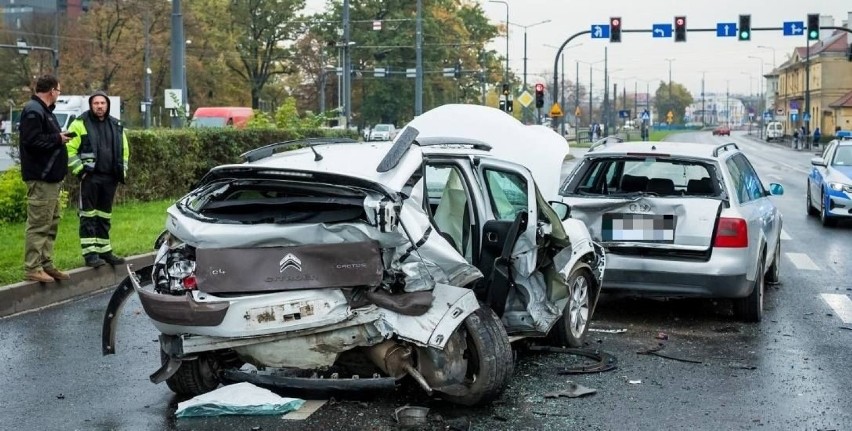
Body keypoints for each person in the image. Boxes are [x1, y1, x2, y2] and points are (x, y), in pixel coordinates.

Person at [19, 74, 73, 283]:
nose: (59, 94)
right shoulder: (34, 111)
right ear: (52, 91)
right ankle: (32, 267)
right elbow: (31, 141)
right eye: (59, 91)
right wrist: (57, 138)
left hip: (50, 178)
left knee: (51, 223)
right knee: (39, 224)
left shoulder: (43, 111)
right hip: (41, 178)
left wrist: (58, 139)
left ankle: (46, 264)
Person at [66, 91, 129, 268]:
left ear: (107, 105)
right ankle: (90, 254)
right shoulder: (80, 124)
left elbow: (124, 150)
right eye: (96, 103)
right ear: (91, 105)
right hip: (90, 178)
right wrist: (80, 171)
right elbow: (69, 149)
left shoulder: (116, 124)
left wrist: (121, 171)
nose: (100, 106)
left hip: (110, 178)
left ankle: (105, 251)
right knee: (88, 216)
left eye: (102, 103)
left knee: (104, 216)